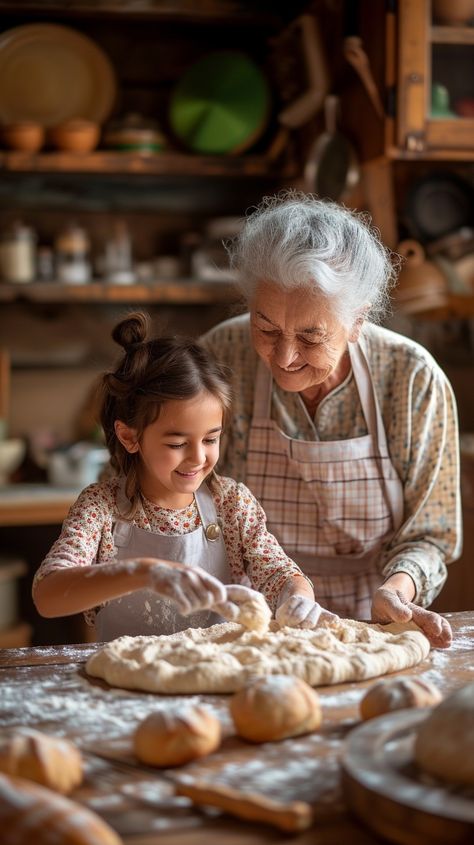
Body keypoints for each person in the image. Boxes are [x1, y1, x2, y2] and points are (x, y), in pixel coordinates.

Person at [201, 191, 462, 649]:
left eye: (310, 336)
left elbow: (430, 532)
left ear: (357, 321)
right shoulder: (221, 358)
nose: (283, 357)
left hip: (372, 623)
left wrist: (397, 592)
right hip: (249, 622)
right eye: (265, 328)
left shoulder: (410, 378)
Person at [32, 311, 326, 641]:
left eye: (211, 439)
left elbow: (277, 572)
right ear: (130, 437)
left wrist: (298, 597)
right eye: (177, 443)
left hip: (216, 676)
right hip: (124, 681)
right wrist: (143, 572)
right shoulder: (101, 508)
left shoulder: (230, 504)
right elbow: (48, 596)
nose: (198, 458)